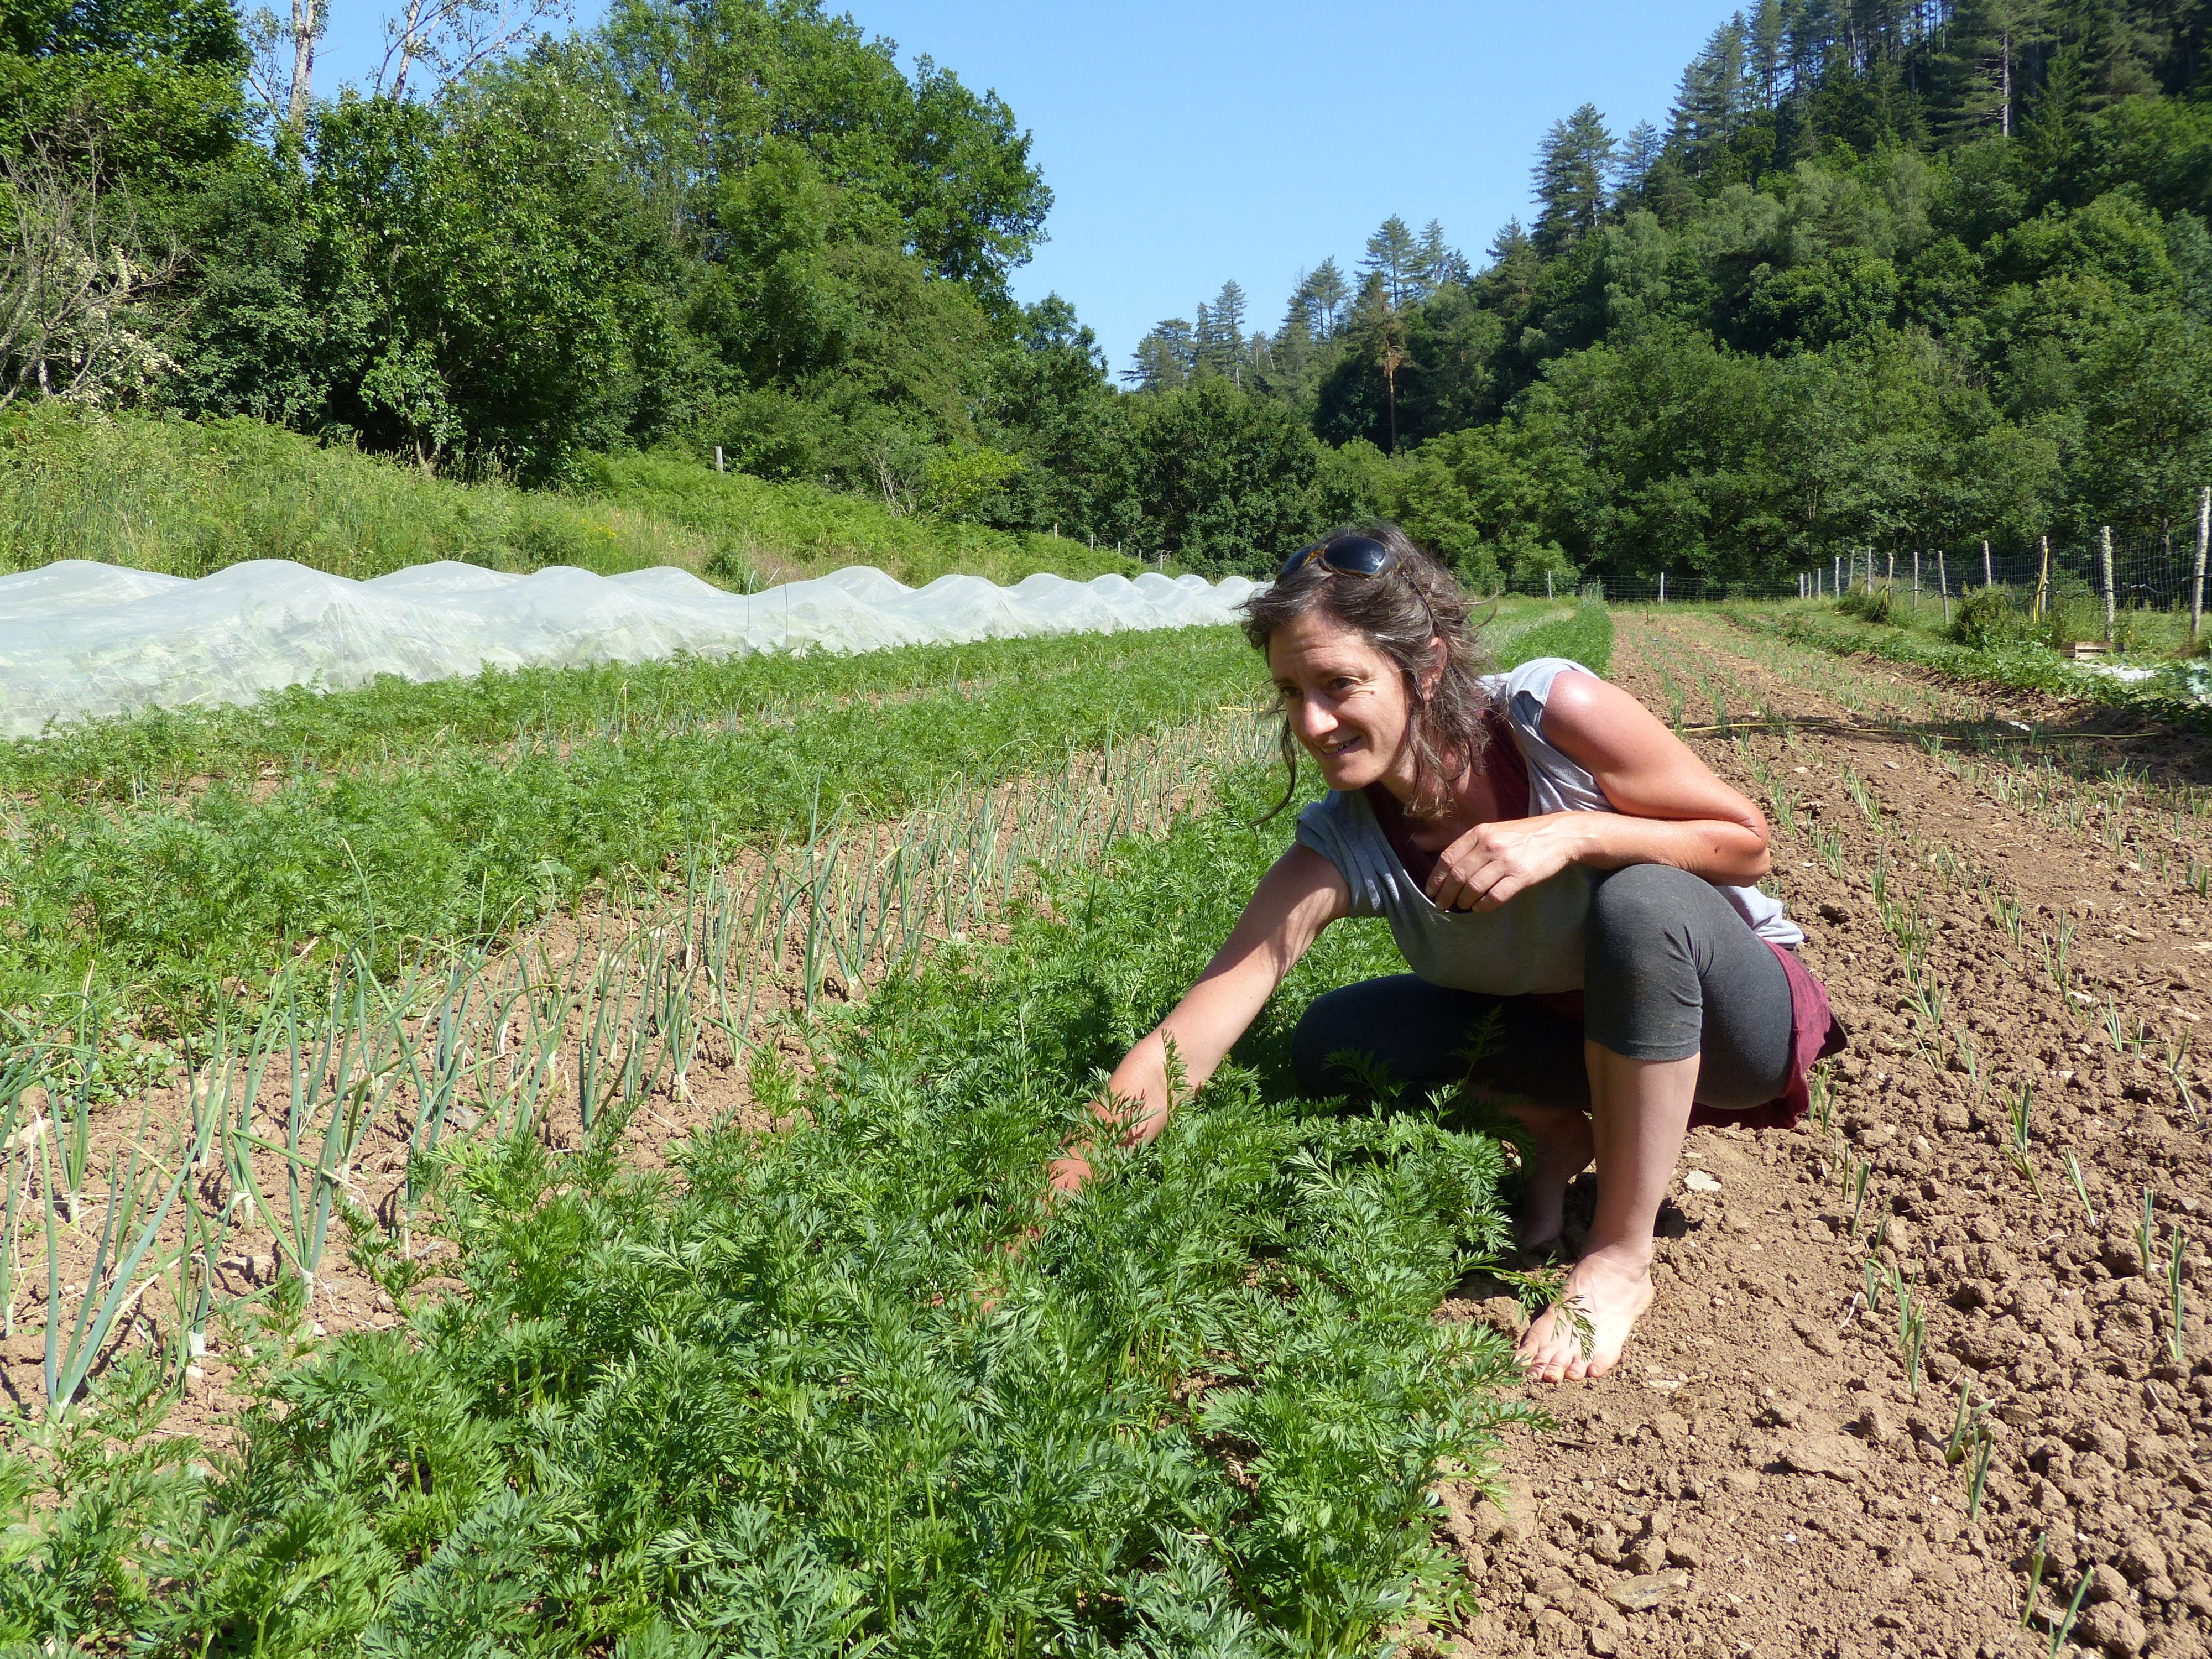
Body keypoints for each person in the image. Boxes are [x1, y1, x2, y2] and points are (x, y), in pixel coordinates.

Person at [1048, 525, 1844, 1383]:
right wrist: (1028, 1226)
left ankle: (1620, 1256)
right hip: (1567, 1040)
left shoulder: (1549, 715)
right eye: (1290, 692)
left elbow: (1745, 842)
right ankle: (1550, 1130)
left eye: (1339, 683)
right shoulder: (1342, 843)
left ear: (1425, 667)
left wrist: (1572, 834)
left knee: (1641, 901)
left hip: (1731, 1027)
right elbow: (1186, 1044)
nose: (1313, 722)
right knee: (1333, 1039)